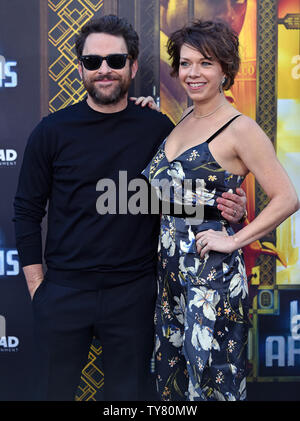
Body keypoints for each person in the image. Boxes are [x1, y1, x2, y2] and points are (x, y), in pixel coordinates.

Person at [13, 15, 246, 401]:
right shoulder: (51, 132)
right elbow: (26, 210)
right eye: (93, 61)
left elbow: (185, 194)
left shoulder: (158, 129)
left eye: (115, 61)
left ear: (133, 66)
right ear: (80, 68)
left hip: (134, 295)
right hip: (64, 292)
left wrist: (230, 208)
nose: (104, 70)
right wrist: (38, 288)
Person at [142, 20, 299, 401]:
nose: (193, 73)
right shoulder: (183, 121)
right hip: (170, 282)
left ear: (225, 70)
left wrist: (234, 241)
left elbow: (287, 197)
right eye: (185, 63)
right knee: (175, 387)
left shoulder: (239, 128)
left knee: (212, 387)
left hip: (210, 284)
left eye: (206, 63)